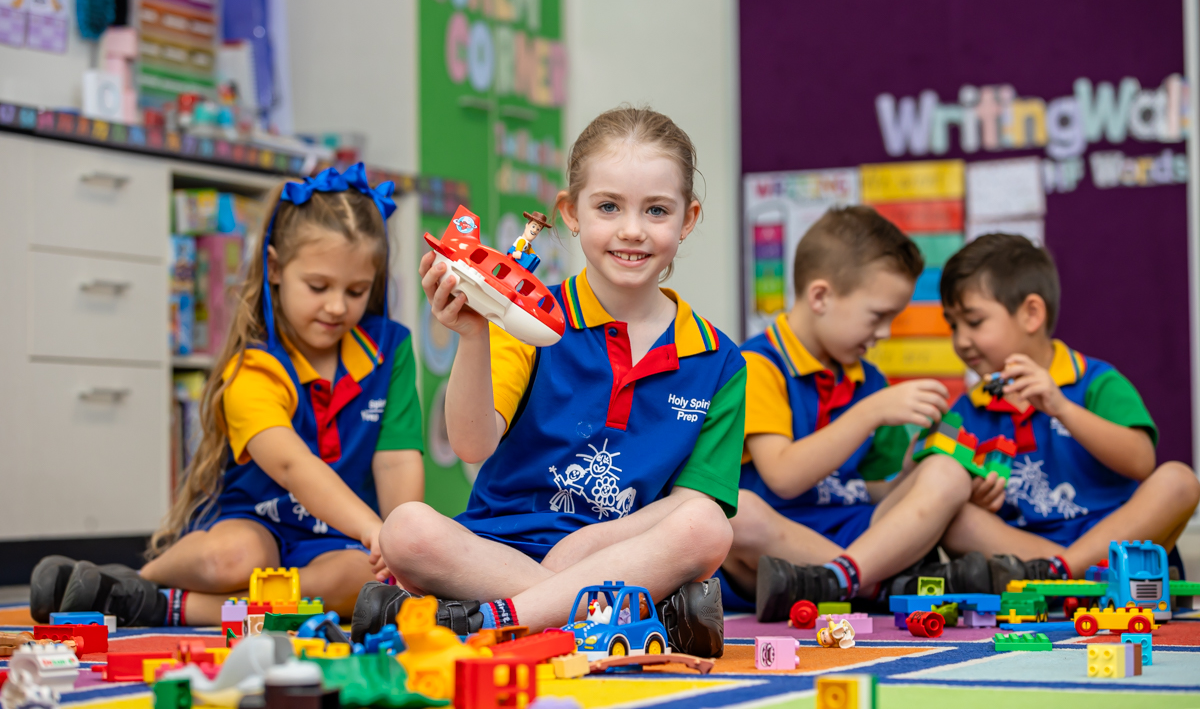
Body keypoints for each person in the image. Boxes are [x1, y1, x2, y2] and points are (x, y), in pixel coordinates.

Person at [352, 107, 745, 657]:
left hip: (618, 553)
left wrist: (590, 541)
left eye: (656, 210)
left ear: (688, 219)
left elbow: (694, 504)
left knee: (711, 528)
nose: (631, 229)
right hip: (496, 550)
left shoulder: (721, 360)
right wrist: (472, 337)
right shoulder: (527, 320)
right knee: (406, 529)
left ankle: (485, 620)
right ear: (571, 213)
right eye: (608, 206)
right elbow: (472, 444)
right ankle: (624, 616)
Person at [29, 165, 426, 627]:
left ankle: (154, 603)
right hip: (258, 522)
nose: (337, 306)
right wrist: (372, 528)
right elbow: (293, 467)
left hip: (341, 540)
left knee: (357, 581)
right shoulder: (254, 367)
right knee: (230, 560)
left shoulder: (389, 348)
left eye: (356, 291)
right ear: (275, 268)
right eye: (318, 287)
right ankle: (135, 580)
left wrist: (399, 544)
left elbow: (396, 459)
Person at [723, 206, 1007, 623]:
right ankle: (880, 584)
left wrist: (918, 466)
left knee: (948, 474)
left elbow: (882, 495)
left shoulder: (869, 380)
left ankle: (844, 581)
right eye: (878, 316)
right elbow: (783, 478)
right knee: (735, 513)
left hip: (855, 538)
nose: (885, 333)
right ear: (820, 297)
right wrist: (869, 413)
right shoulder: (757, 366)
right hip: (776, 544)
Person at [938, 234, 1200, 582]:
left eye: (973, 322)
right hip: (1030, 549)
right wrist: (974, 496)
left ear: (1032, 314)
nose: (960, 340)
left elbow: (1141, 462)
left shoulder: (1097, 381)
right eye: (952, 325)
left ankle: (1065, 571)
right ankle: (1066, 572)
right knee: (947, 513)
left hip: (1112, 538)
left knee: (1179, 480)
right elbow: (938, 483)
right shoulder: (969, 407)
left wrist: (1061, 407)